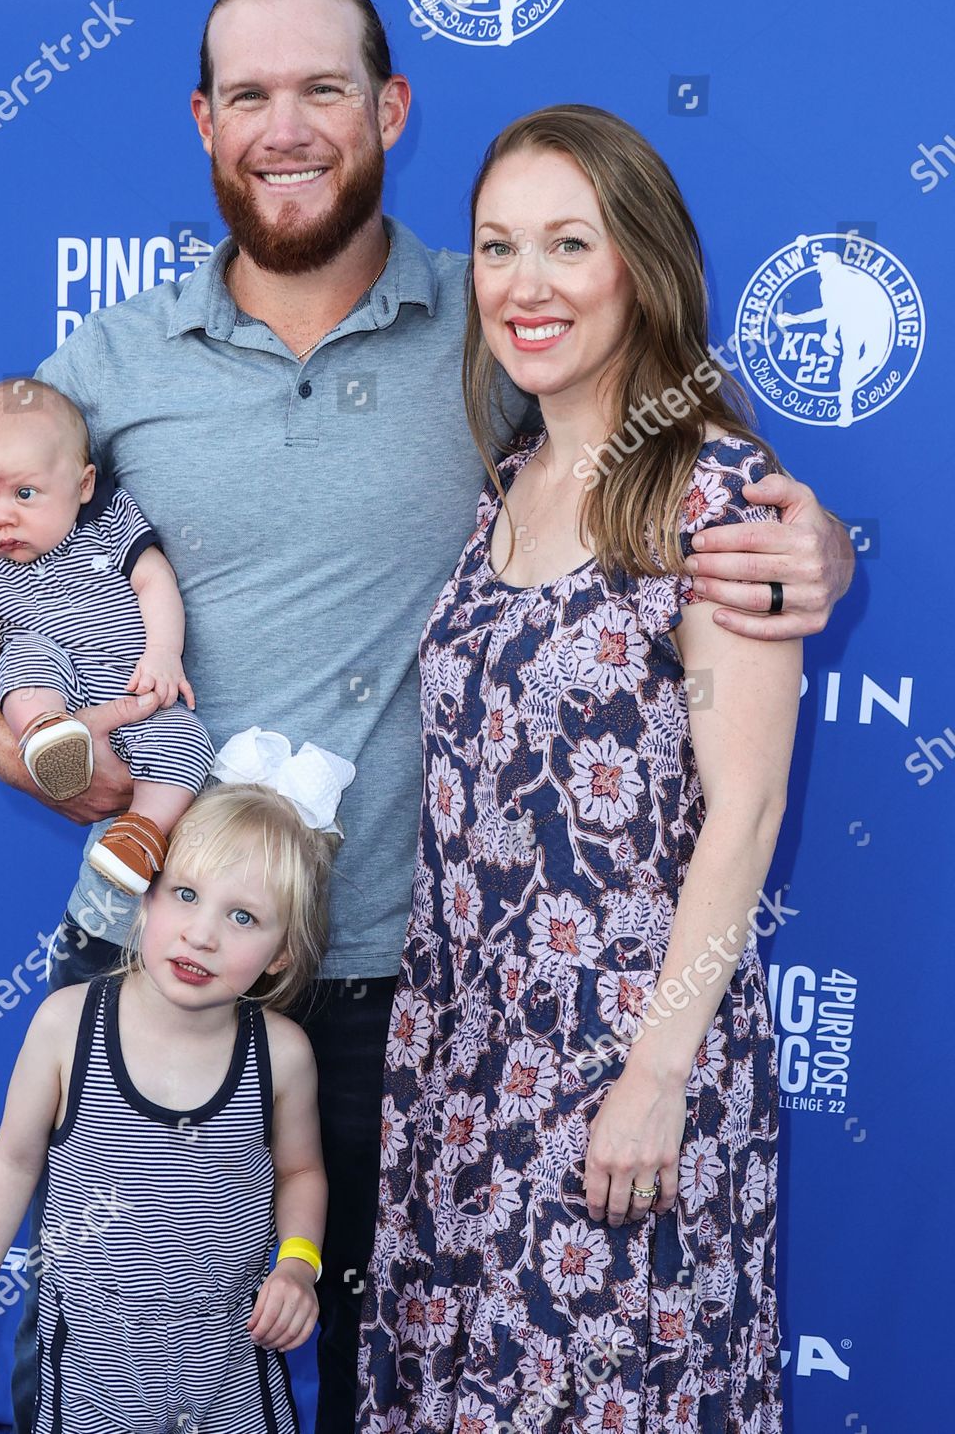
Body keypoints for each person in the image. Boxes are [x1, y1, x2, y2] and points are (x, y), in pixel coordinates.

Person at [0, 0, 853, 1434]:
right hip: (155, 963)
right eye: (251, 95)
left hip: (400, 1001)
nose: (288, 128)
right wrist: (19, 744)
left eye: (324, 89)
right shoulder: (113, 360)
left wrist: (817, 547)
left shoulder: (496, 325)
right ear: (202, 123)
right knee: (120, 1385)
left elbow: (686, 458)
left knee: (384, 1385)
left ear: (390, 107)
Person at [356, 105, 799, 1431]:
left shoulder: (720, 493)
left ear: (641, 267)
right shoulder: (511, 478)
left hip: (624, 1069)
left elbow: (750, 805)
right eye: (497, 247)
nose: (524, 284)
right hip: (463, 1066)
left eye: (568, 243)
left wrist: (657, 1077)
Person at [0, 727, 354, 1431]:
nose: (202, 934)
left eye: (243, 917)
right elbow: (12, 1163)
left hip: (230, 1369)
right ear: (145, 893)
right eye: (185, 894)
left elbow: (302, 1172)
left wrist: (298, 1265)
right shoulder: (65, 1026)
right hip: (90, 1375)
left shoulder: (281, 1055)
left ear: (282, 955)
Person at [0, 379, 213, 893]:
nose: (1, 516)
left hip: (135, 688)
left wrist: (164, 653)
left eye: (25, 493)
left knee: (186, 742)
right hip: (57, 688)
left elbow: (154, 578)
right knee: (26, 658)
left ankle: (140, 834)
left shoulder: (108, 522)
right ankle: (45, 736)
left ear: (82, 485)